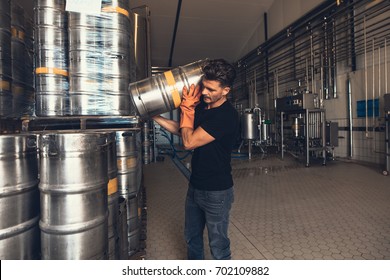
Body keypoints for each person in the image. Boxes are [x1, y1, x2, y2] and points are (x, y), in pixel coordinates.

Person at [152, 58, 239, 260]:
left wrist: (187, 109)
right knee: (191, 238)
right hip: (195, 185)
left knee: (218, 245)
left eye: (211, 89)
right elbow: (185, 131)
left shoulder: (226, 116)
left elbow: (189, 142)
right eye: (204, 87)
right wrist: (156, 117)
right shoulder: (201, 106)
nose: (205, 93)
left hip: (217, 191)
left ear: (226, 90)